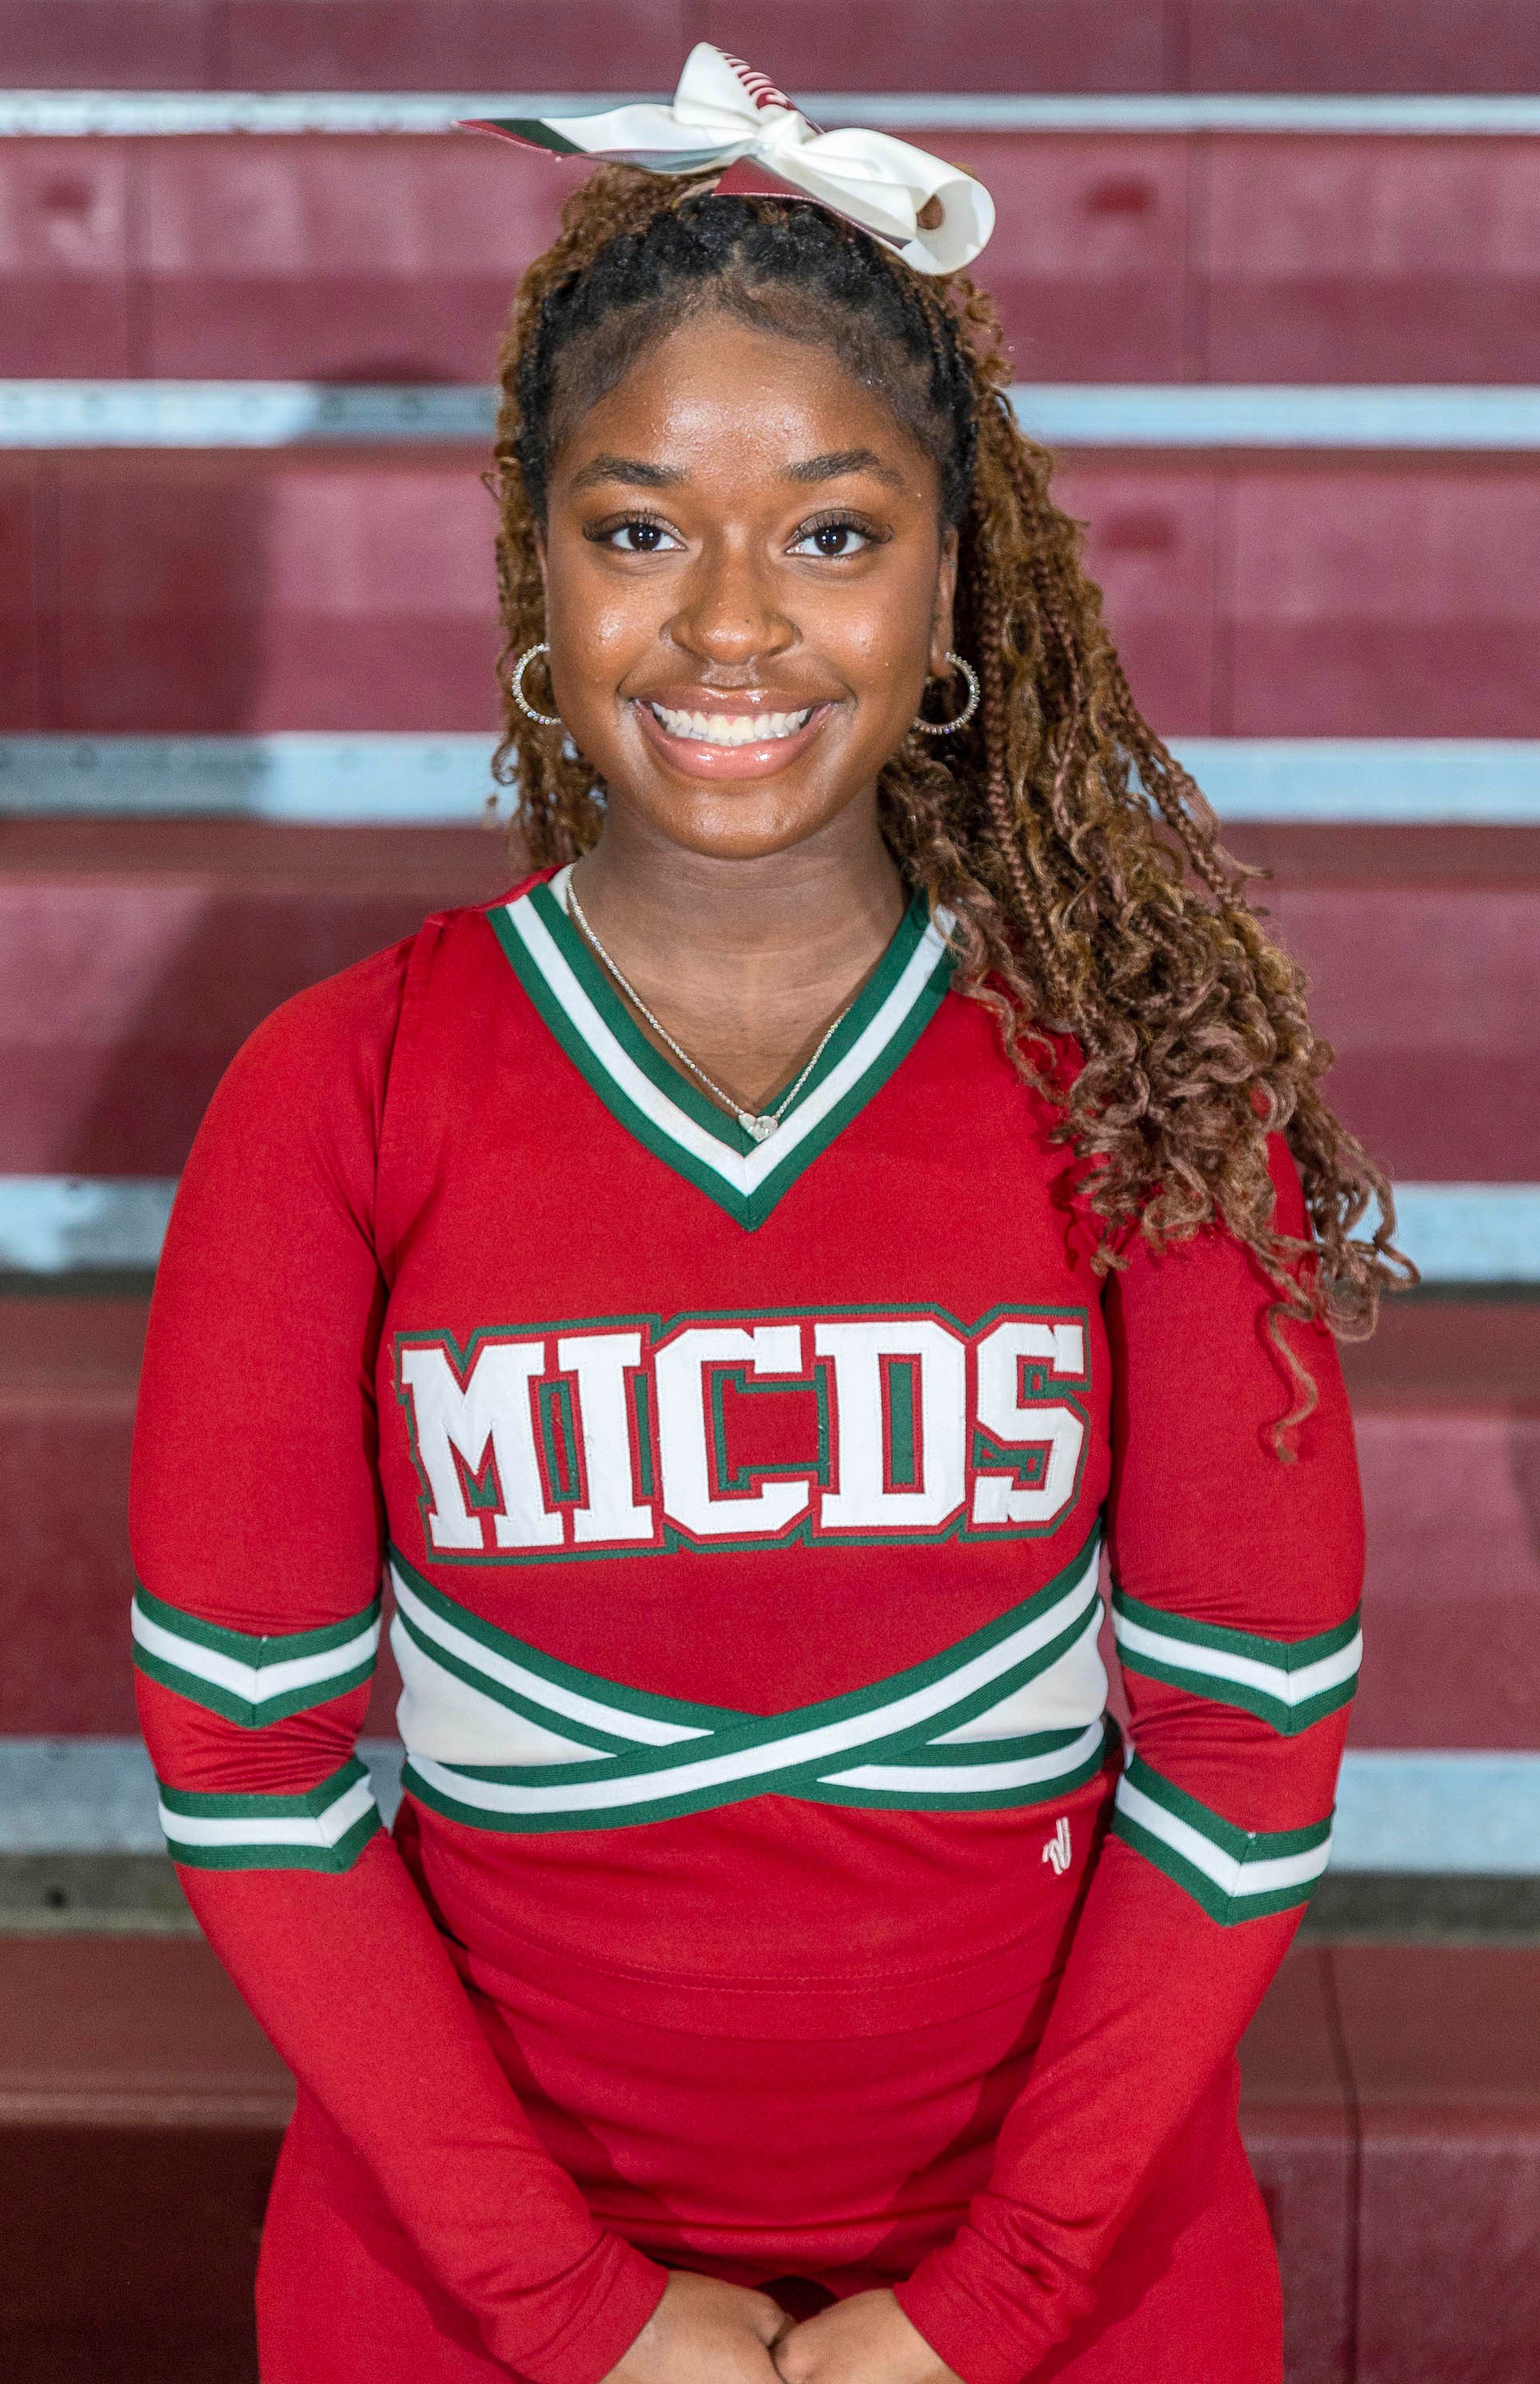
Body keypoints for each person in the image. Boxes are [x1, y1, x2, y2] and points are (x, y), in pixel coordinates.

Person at [130, 50, 1406, 2384]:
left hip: (1069, 2289)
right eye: (639, 532)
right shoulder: (335, 1094)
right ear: (538, 562)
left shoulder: (1137, 1080)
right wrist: (579, 2313)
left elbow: (1245, 1746)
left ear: (953, 580)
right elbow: (250, 1755)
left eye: (831, 535)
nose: (732, 625)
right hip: (474, 2295)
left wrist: (985, 2309)